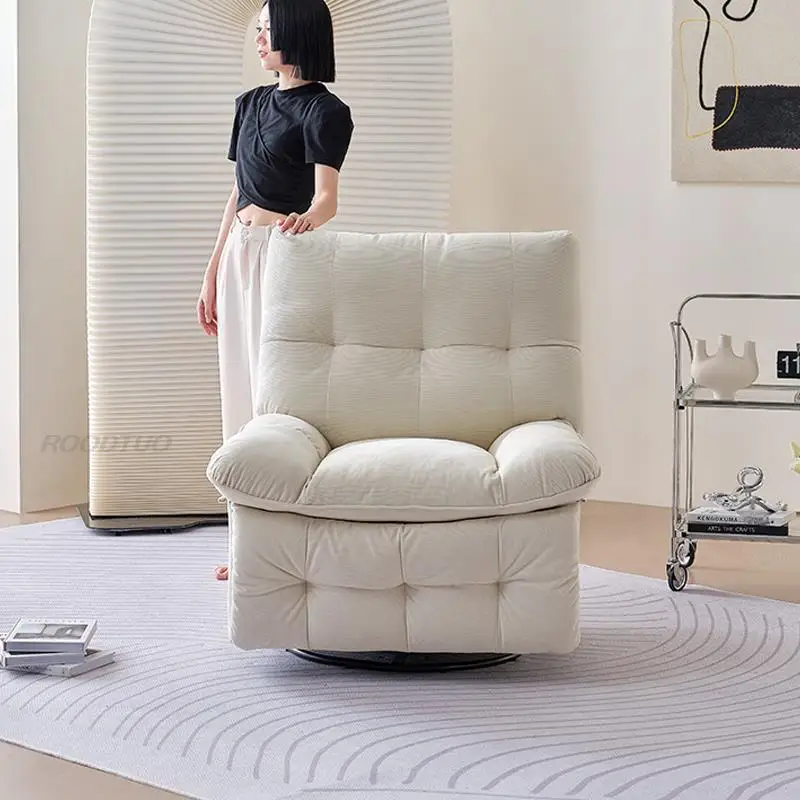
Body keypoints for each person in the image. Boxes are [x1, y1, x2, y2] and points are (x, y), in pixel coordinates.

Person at [197, 0, 354, 581]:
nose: (258, 39)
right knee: (237, 389)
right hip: (239, 252)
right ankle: (248, 544)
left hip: (282, 254)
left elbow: (326, 199)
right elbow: (237, 192)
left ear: (297, 33)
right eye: (258, 29)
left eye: (267, 30)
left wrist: (307, 221)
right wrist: (212, 269)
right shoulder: (250, 104)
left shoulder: (325, 111)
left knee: (276, 392)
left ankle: (291, 538)